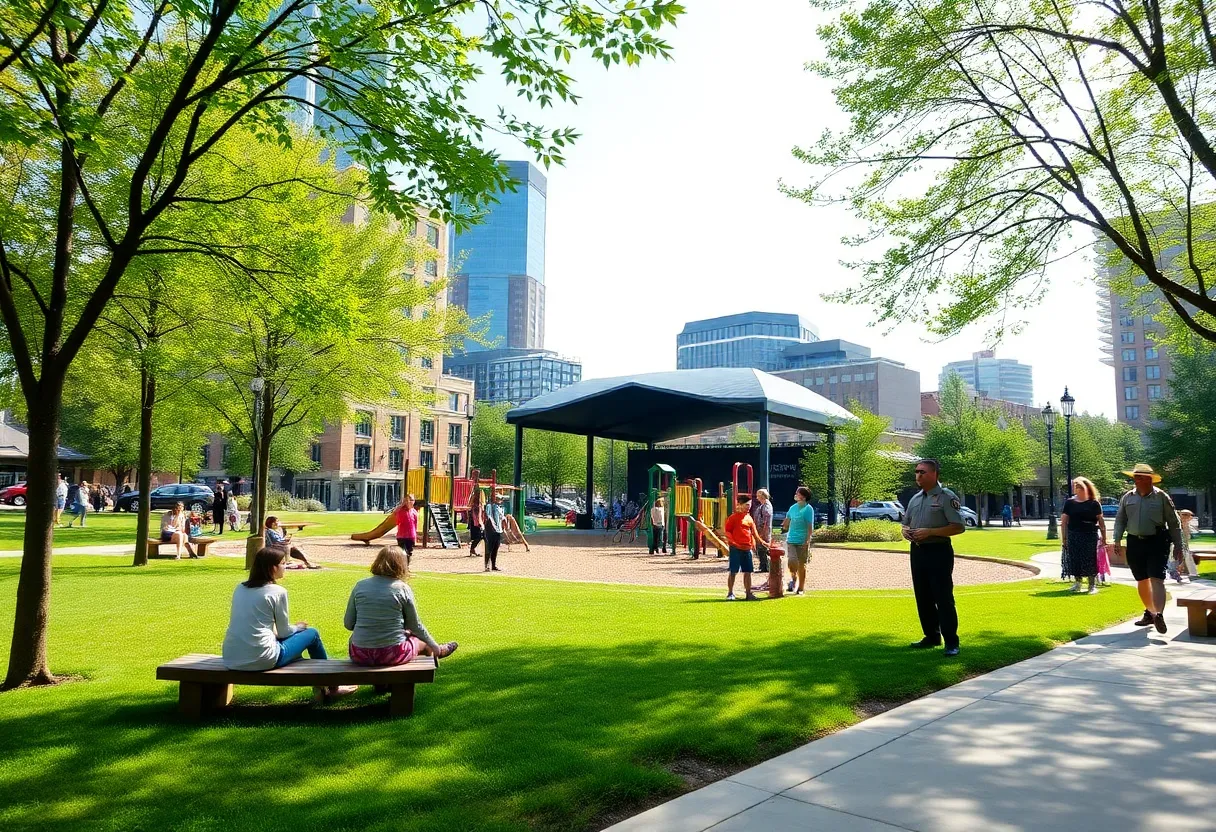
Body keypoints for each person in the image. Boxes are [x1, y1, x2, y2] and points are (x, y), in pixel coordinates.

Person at [222, 546, 355, 702]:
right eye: (283, 563)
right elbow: (284, 632)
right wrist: (298, 627)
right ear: (273, 568)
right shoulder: (277, 591)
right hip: (262, 659)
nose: (286, 567)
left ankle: (321, 685)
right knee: (312, 634)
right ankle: (331, 687)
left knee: (294, 642)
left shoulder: (240, 588)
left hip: (231, 657)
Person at [345, 545, 457, 670]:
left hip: (360, 654)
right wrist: (434, 646)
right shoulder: (402, 588)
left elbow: (348, 624)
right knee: (423, 644)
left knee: (356, 638)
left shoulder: (360, 586)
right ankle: (439, 651)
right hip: (392, 653)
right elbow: (415, 626)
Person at [902, 459, 966, 657]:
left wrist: (930, 532)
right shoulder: (915, 499)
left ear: (934, 474)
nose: (918, 475)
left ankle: (951, 642)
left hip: (938, 551)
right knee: (923, 596)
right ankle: (931, 636)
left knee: (943, 597)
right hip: (918, 551)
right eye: (916, 472)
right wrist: (906, 531)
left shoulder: (947, 497)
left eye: (922, 472)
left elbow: (958, 526)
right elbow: (906, 523)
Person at [1112, 463, 1182, 634]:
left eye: (1141, 477)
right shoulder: (1127, 497)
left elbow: (1173, 522)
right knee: (1142, 579)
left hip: (1157, 541)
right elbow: (1120, 519)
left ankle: (1159, 614)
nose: (1137, 480)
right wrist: (1117, 539)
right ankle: (1150, 613)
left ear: (1150, 479)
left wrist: (1178, 544)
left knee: (1156, 577)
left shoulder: (1161, 497)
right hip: (1135, 542)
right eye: (1136, 477)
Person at [1061, 477, 1106, 594]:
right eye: (1075, 486)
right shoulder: (1070, 503)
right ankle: (1078, 583)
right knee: (1075, 558)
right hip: (1073, 534)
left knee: (1090, 559)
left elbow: (1101, 521)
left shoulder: (1094, 503)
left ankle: (1092, 585)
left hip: (1090, 535)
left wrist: (1104, 538)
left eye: (1079, 486)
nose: (1076, 489)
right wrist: (1064, 538)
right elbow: (1064, 521)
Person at [724, 494, 763, 601]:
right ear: (740, 505)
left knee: (748, 571)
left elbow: (754, 533)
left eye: (749, 505)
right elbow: (727, 531)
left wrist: (761, 543)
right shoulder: (733, 518)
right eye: (746, 505)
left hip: (747, 549)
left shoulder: (749, 518)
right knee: (733, 571)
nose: (748, 507)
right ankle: (730, 593)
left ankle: (748, 594)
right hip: (735, 549)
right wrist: (733, 542)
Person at [782, 486, 815, 595]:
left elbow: (809, 526)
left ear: (804, 497)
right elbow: (787, 521)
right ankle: (793, 578)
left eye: (798, 493)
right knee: (792, 562)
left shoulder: (808, 509)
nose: (795, 494)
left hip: (802, 540)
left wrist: (808, 540)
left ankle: (800, 588)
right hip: (791, 539)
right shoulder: (792, 508)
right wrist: (785, 524)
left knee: (801, 565)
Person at [749, 488, 774, 573]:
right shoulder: (762, 505)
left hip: (763, 532)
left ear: (762, 496)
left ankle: (765, 567)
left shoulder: (766, 506)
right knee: (760, 549)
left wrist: (762, 533)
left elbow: (766, 521)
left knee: (763, 548)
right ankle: (763, 566)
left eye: (758, 495)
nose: (757, 497)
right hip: (760, 530)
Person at [1173, 509, 1199, 583]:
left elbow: (1187, 537)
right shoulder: (1176, 523)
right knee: (1178, 558)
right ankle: (1177, 573)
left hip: (1184, 546)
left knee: (1187, 556)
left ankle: (1192, 574)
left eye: (1190, 515)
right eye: (1185, 515)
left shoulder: (1189, 525)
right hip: (1176, 545)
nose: (1189, 517)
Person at [484, 491, 505, 572]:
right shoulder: (489, 506)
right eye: (498, 498)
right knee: (489, 548)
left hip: (498, 530)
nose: (499, 500)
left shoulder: (500, 508)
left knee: (496, 548)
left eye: (500, 499)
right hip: (491, 530)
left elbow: (502, 518)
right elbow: (489, 516)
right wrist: (493, 526)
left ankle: (493, 565)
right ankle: (487, 565)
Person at [394, 492, 419, 560]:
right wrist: (401, 506)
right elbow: (396, 518)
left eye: (412, 500)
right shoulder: (400, 510)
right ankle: (402, 564)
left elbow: (415, 525)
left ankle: (406, 565)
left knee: (409, 553)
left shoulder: (414, 512)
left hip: (411, 536)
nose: (410, 502)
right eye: (408, 500)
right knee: (402, 553)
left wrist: (415, 537)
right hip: (402, 536)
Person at [467, 485, 484, 558]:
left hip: (477, 521)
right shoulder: (475, 504)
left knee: (480, 536)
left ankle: (473, 549)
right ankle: (473, 549)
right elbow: (473, 513)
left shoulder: (478, 504)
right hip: (475, 522)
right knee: (478, 536)